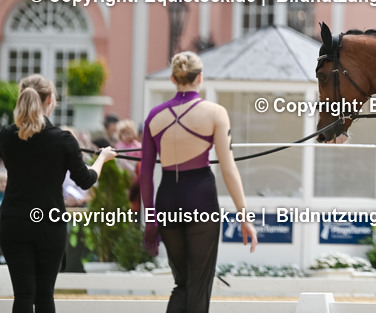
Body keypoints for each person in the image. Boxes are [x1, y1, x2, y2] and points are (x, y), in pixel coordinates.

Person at [140, 51, 258, 313]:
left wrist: (150, 218)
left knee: (182, 283)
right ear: (200, 78)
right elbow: (228, 168)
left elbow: (145, 173)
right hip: (201, 200)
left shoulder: (153, 116)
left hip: (167, 199)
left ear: (173, 78)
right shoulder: (215, 113)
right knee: (199, 284)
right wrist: (244, 216)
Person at [0, 74, 116, 313]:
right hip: (48, 223)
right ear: (50, 100)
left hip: (13, 221)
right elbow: (86, 180)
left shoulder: (5, 136)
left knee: (22, 295)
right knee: (44, 297)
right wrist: (102, 158)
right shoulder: (63, 140)